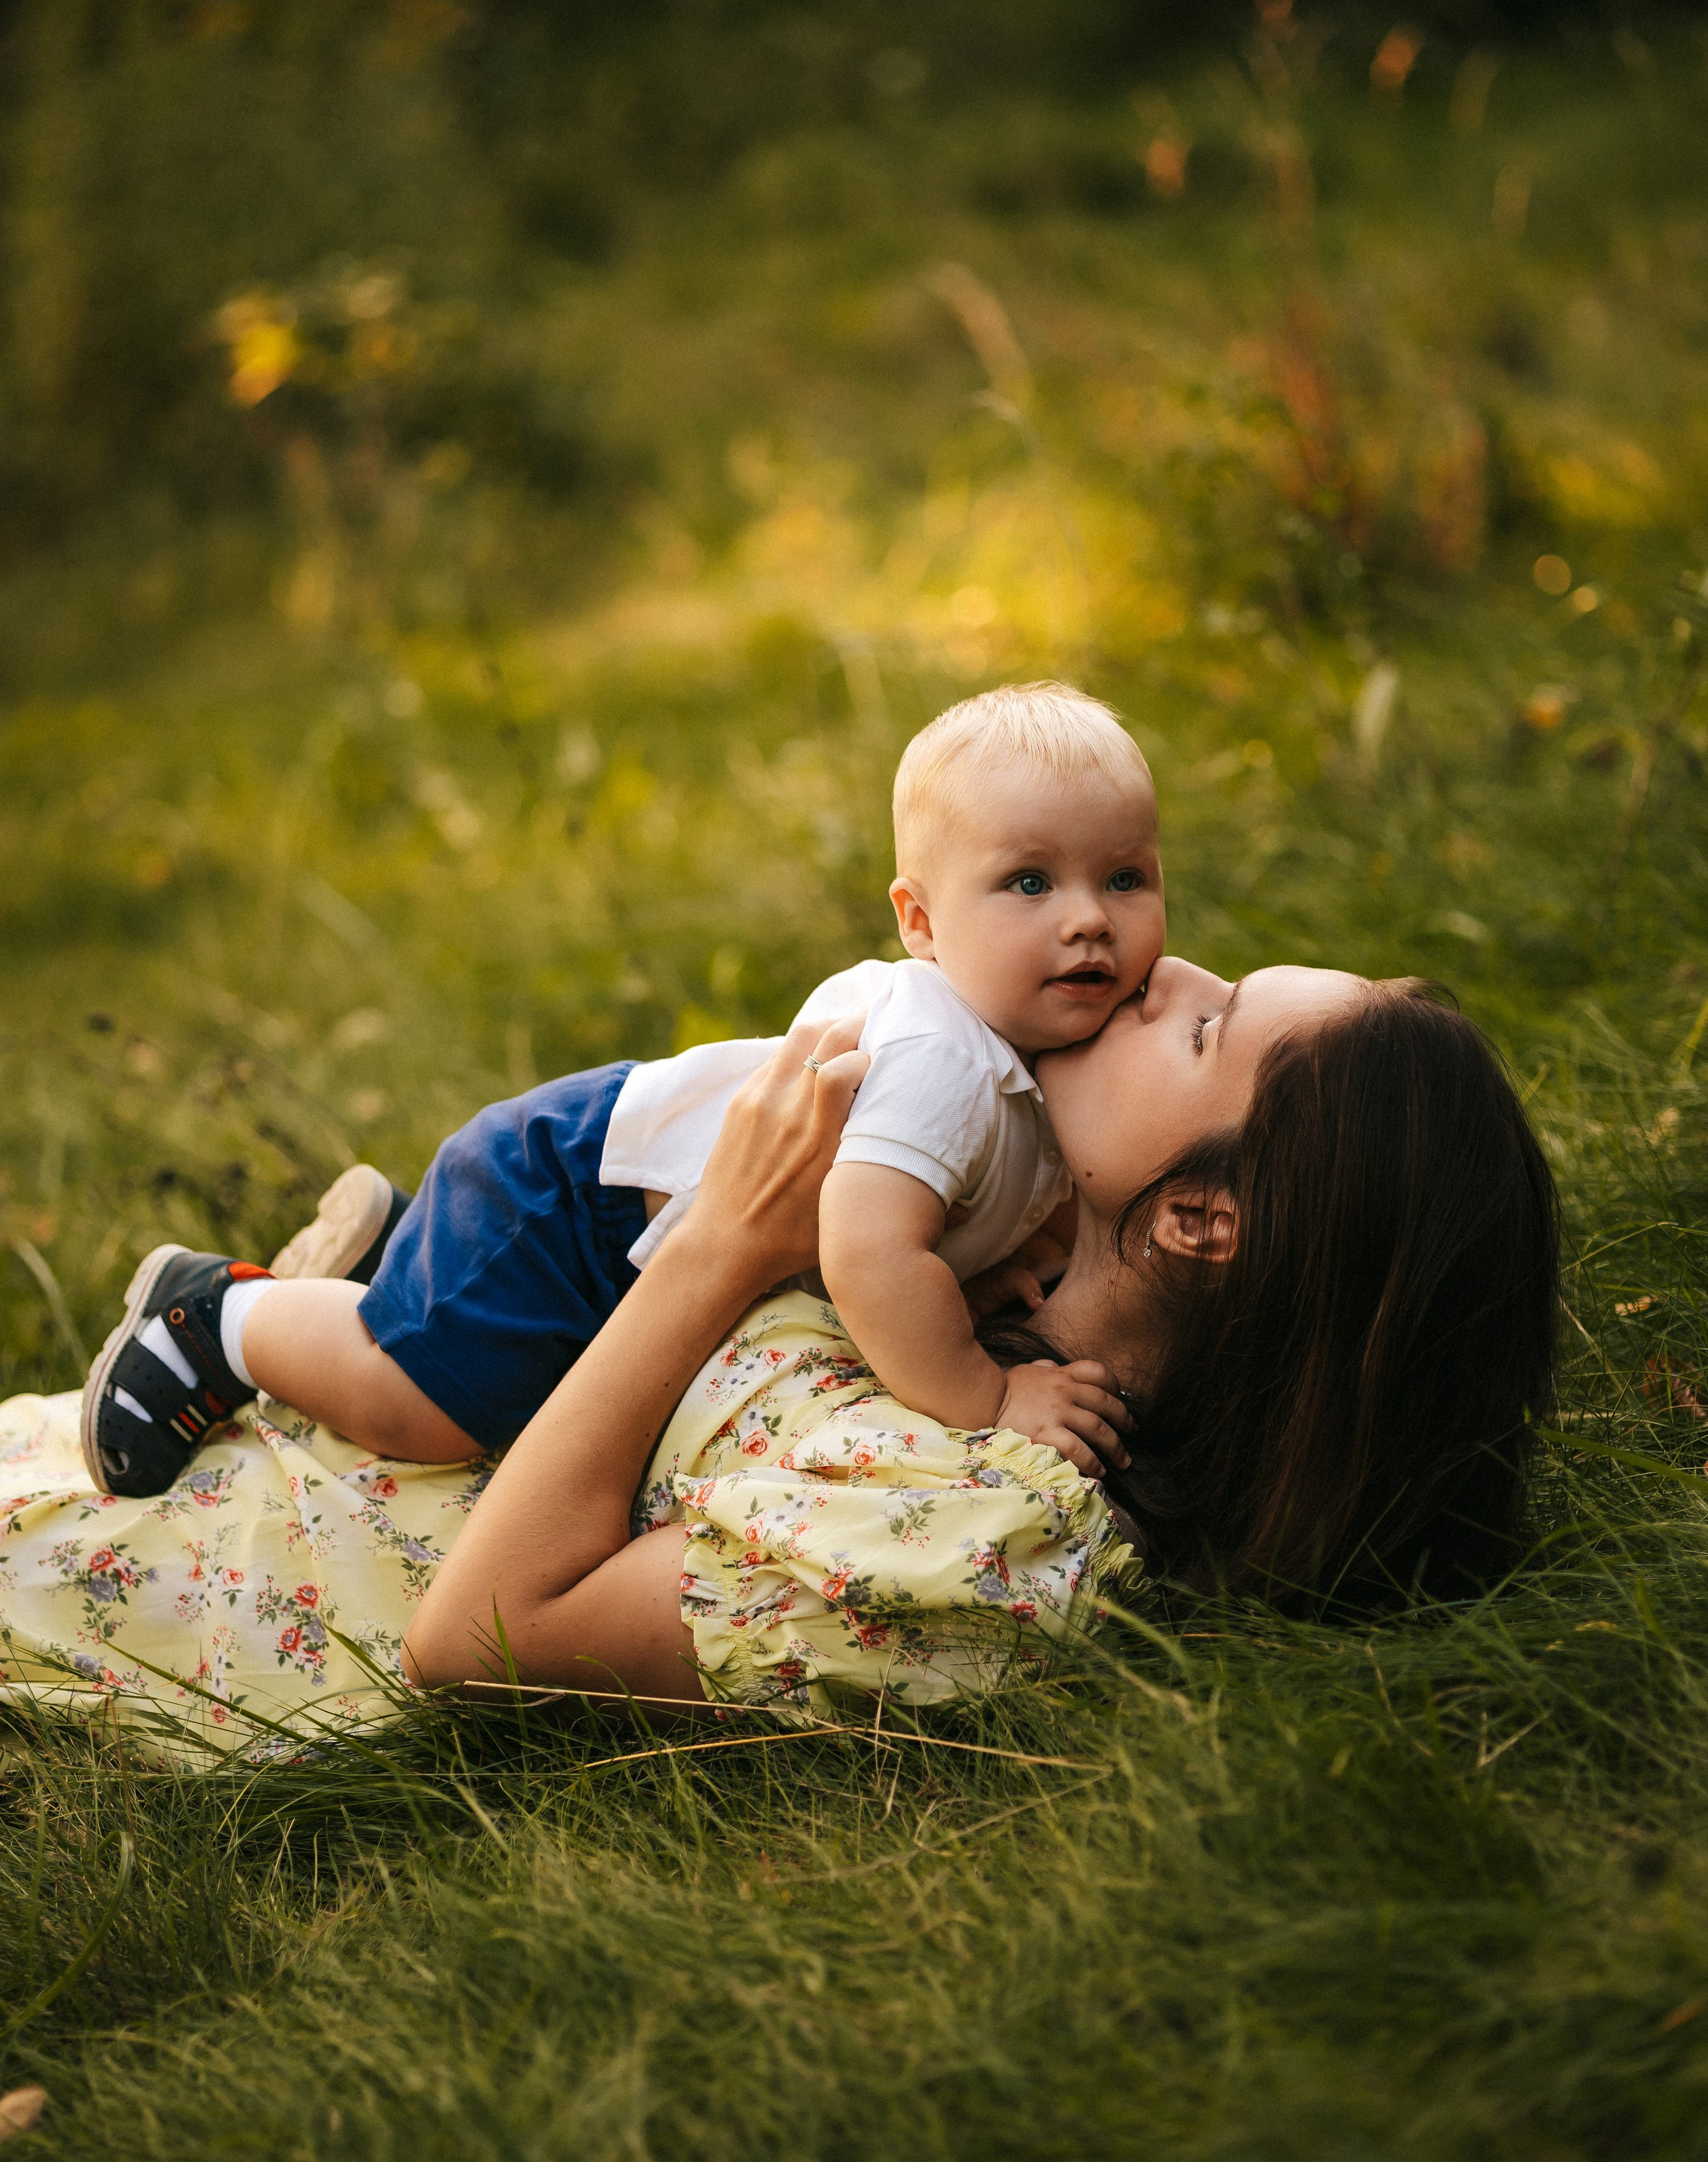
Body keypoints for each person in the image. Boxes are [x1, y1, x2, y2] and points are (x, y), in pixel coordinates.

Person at [80, 682, 1164, 1498]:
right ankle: (224, 1315)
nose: (1087, 918)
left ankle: (384, 1260)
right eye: (1030, 882)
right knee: (425, 1414)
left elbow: (948, 1204)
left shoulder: (1026, 1038)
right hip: (571, 1206)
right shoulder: (947, 1057)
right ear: (920, 922)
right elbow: (871, 1253)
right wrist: (989, 1395)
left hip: (614, 1193)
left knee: (495, 1370)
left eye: (1125, 877)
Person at [400, 955, 1561, 1706]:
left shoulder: (991, 1529)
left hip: (247, 1566)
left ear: (1205, 1220)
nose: (1163, 973)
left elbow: (476, 1640)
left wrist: (724, 1247)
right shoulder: (990, 1264)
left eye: (1209, 1030)